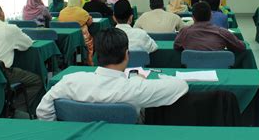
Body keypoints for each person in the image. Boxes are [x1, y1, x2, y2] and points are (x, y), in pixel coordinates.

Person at [36, 28, 188, 121]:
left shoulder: (70, 80)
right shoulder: (136, 88)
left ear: (96, 55)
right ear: (127, 55)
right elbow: (181, 86)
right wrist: (140, 79)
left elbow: (43, 110)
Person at [0, 0, 43, 114]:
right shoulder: (9, 29)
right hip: (2, 74)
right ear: (1, 12)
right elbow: (28, 43)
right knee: (37, 81)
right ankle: (16, 108)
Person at [174, 2, 245, 52]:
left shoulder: (184, 31)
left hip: (191, 69)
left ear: (193, 18)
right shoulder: (222, 32)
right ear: (211, 16)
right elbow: (241, 47)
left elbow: (176, 46)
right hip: (218, 69)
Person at [59, 0, 94, 65]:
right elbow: (89, 22)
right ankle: (88, 60)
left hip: (65, 39)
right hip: (80, 38)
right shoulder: (82, 12)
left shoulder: (62, 12)